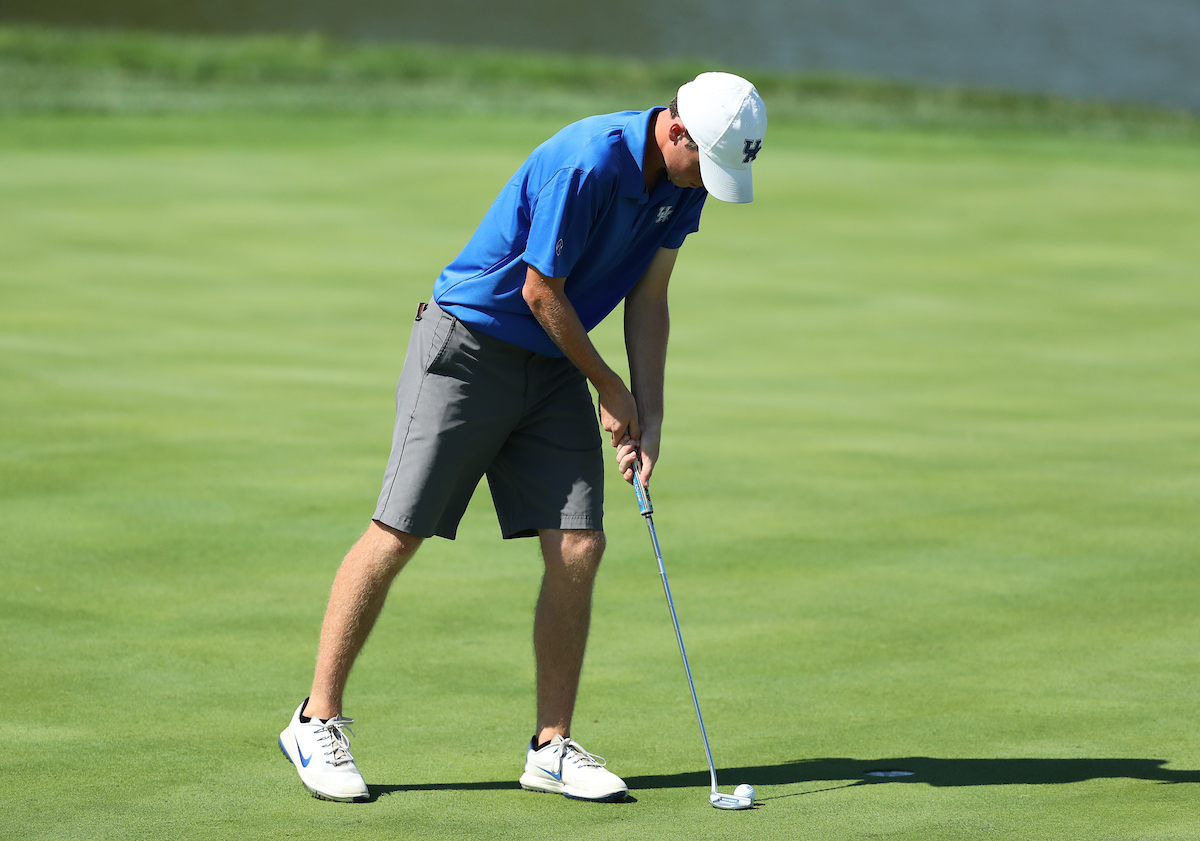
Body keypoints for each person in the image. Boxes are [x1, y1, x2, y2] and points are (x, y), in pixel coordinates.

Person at [278, 71, 767, 803]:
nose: (707, 182)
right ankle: (314, 719)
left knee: (580, 541)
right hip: (469, 348)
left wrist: (651, 414)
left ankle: (550, 745)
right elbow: (542, 289)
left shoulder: (687, 180)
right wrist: (609, 384)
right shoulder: (587, 161)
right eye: (706, 163)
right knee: (399, 530)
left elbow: (651, 297)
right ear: (675, 132)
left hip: (554, 360)